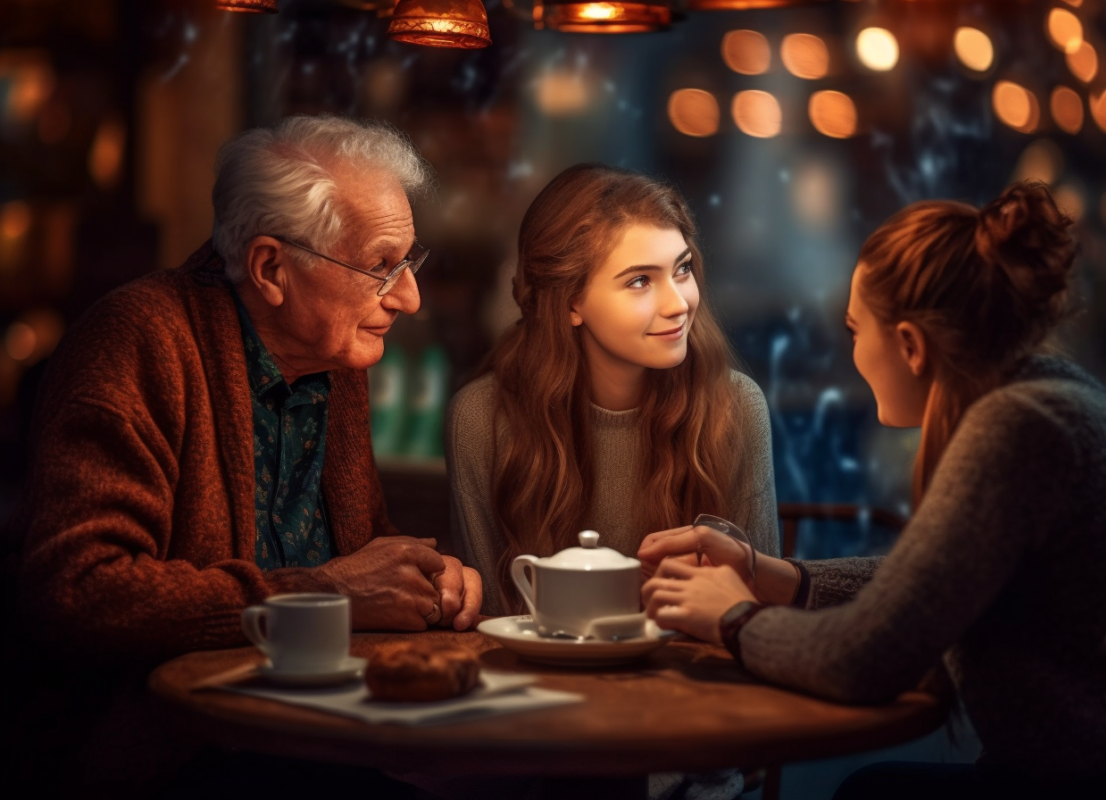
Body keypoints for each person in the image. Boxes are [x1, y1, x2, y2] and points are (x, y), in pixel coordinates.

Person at [640, 182, 1106, 797]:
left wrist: (733, 617)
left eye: (855, 331)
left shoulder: (1016, 427)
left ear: (910, 345)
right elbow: (935, 581)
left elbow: (865, 659)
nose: (851, 352)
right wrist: (779, 578)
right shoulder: (1039, 391)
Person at [5, 115, 481, 796]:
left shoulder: (331, 349)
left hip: (314, 734)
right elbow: (78, 593)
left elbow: (351, 553)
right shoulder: (137, 341)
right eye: (380, 266)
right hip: (167, 754)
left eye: (409, 262)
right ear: (270, 268)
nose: (408, 297)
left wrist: (423, 580)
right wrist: (332, 593)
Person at [445, 163, 780, 618]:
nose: (679, 304)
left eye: (682, 269)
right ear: (570, 302)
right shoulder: (484, 418)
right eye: (640, 280)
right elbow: (489, 620)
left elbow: (755, 608)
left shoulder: (735, 406)